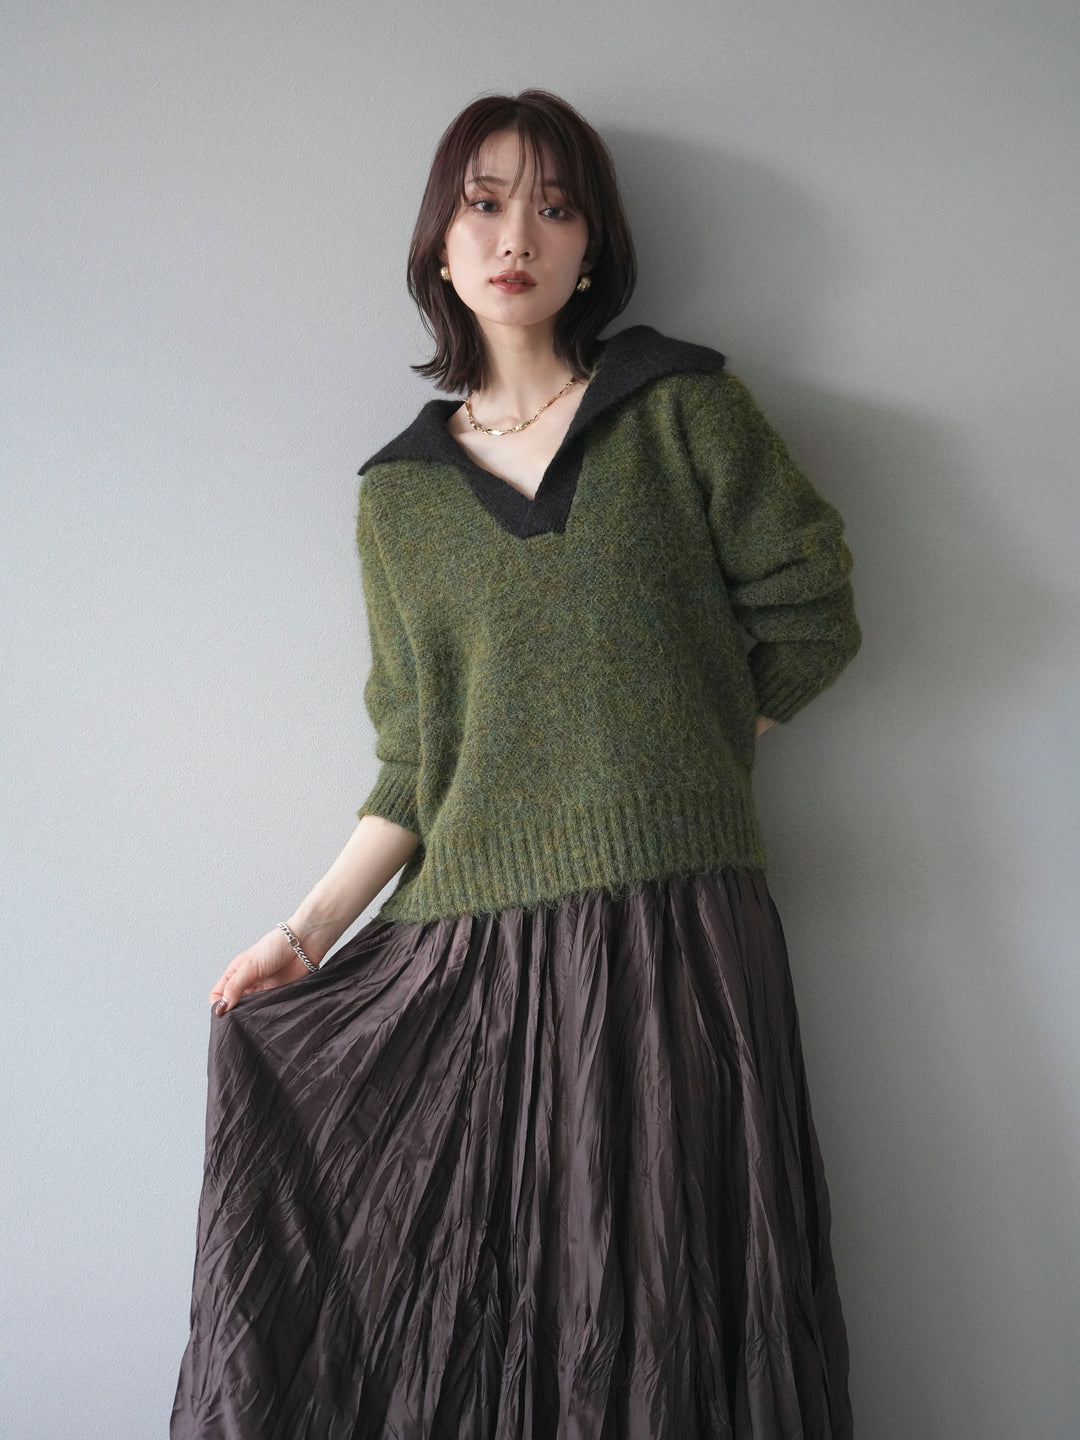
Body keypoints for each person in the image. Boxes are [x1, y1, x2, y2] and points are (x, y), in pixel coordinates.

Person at [172, 89, 862, 1439]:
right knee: (480, 1316)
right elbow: (417, 759)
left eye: (555, 208)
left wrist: (675, 766)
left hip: (677, 942)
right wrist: (300, 938)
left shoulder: (683, 411)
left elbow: (813, 617)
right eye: (484, 204)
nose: (517, 237)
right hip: (477, 960)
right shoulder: (399, 497)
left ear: (593, 248)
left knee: (661, 1306)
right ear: (440, 242)